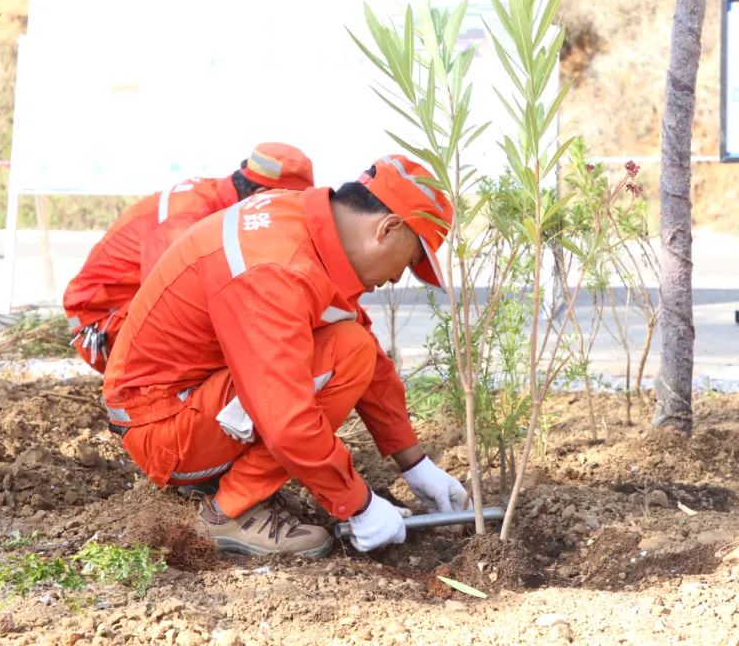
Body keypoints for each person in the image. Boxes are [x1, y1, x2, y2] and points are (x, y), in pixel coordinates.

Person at [102, 155, 470, 557]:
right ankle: (227, 512)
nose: (398, 277)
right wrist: (358, 505)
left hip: (181, 400)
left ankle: (224, 480)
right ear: (388, 228)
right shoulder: (276, 267)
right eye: (412, 259)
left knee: (352, 346)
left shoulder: (303, 227)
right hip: (163, 428)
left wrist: (415, 464)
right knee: (346, 356)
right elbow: (286, 418)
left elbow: (364, 349)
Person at [62, 143, 315, 373]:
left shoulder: (219, 201)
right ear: (260, 195)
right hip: (102, 325)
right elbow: (165, 310)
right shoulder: (186, 219)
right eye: (287, 206)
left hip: (126, 313)